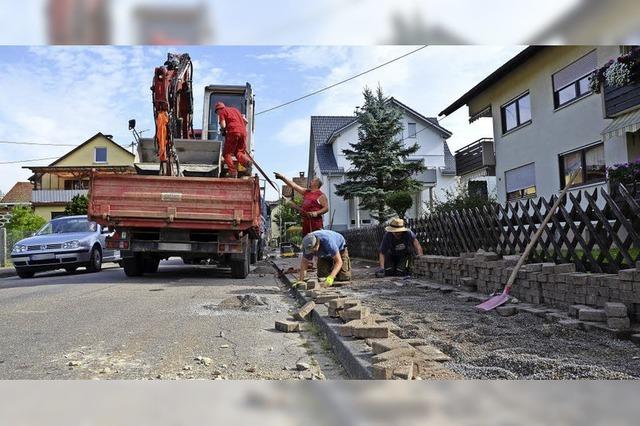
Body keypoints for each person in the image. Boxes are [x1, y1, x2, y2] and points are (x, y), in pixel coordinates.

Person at [215, 101, 251, 178]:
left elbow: (223, 125)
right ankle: (247, 162)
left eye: (217, 113)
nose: (218, 114)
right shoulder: (235, 110)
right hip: (243, 133)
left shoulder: (222, 111)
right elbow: (246, 122)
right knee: (239, 152)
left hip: (233, 132)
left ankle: (233, 172)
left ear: (218, 110)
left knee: (226, 154)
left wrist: (223, 130)